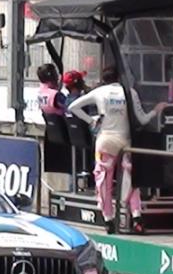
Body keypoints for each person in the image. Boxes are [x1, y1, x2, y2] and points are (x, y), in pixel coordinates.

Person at [68, 69, 166, 233]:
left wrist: (91, 121)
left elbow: (73, 106)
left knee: (103, 180)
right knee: (131, 178)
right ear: (120, 78)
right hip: (125, 142)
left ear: (103, 79)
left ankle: (108, 219)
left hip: (105, 141)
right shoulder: (130, 92)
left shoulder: (99, 92)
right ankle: (136, 217)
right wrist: (156, 110)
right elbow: (142, 120)